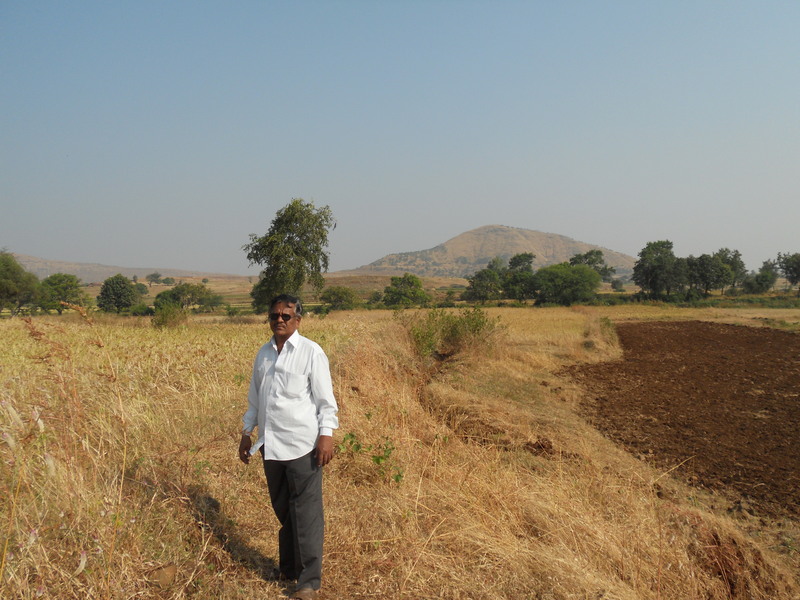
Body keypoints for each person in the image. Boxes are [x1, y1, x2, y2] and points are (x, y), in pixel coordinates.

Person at [239, 294, 338, 600]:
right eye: (274, 316)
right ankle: (289, 568)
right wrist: (247, 431)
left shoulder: (311, 352)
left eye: (285, 316)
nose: (279, 320)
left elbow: (325, 400)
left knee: (306, 513)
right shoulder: (264, 354)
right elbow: (256, 398)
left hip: (303, 446)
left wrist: (326, 434)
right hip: (271, 445)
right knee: (285, 511)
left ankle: (309, 582)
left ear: (298, 320)